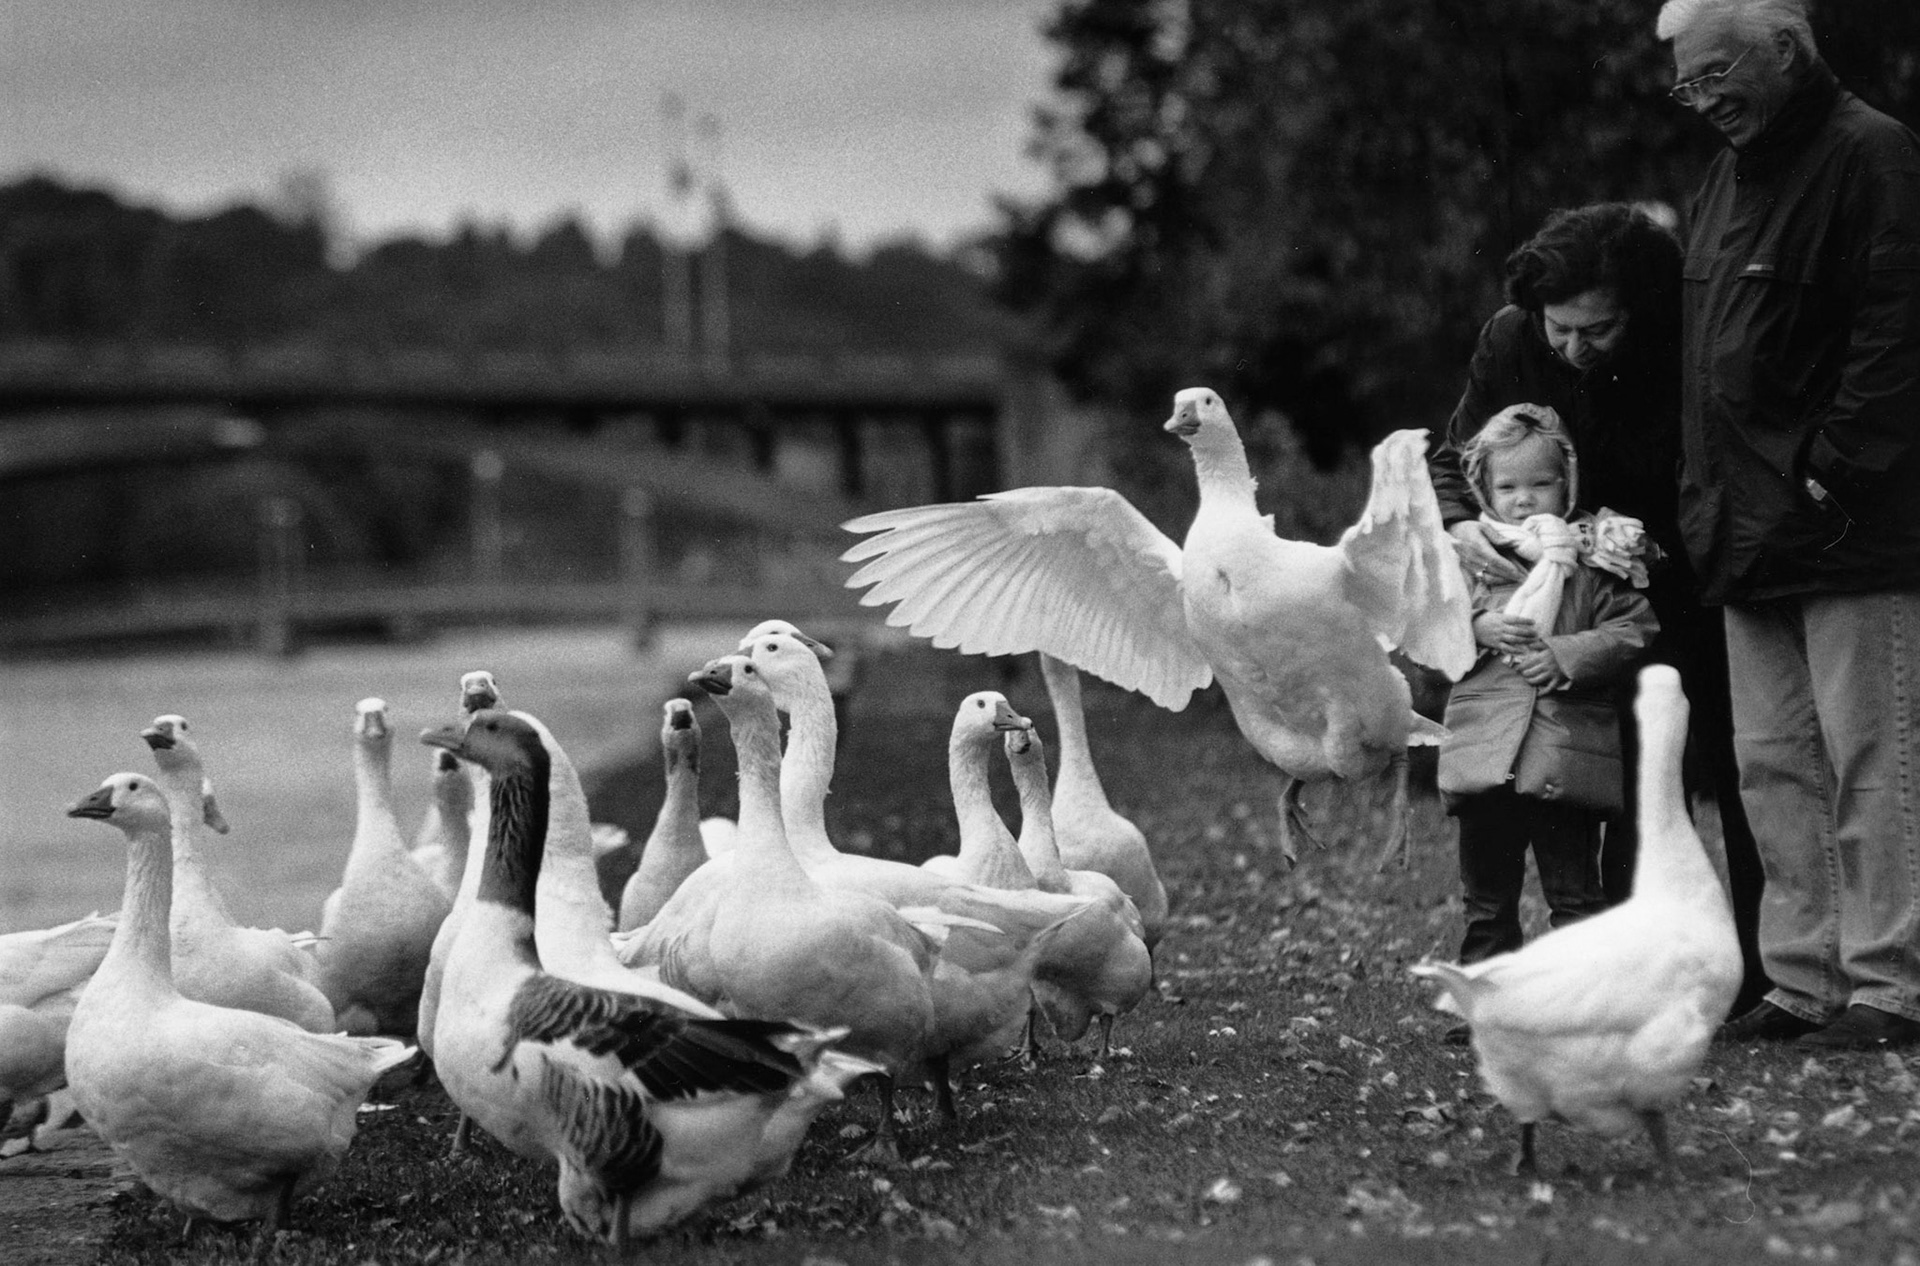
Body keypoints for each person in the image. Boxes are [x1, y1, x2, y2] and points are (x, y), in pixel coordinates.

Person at [1655, 0, 1920, 1049]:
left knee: (1875, 756)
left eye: (1717, 72)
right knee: (1771, 765)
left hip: (1849, 522)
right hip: (1742, 524)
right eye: (1687, 82)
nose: (1705, 98)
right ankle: (1802, 980)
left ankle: (1892, 984)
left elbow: (1899, 331)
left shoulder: (1875, 154)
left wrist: (1838, 468)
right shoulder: (1727, 174)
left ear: (1784, 48)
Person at [1428, 202, 1769, 1013]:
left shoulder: (1688, 337)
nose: (1575, 348)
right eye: (1560, 330)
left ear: (1641, 312)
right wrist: (1461, 527)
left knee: (1730, 767)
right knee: (1604, 780)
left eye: (1598, 330)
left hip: (1688, 585)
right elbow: (1455, 456)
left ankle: (1764, 974)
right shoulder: (1511, 340)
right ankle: (1626, 972)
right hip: (1561, 598)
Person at [1436, 405, 1659, 980]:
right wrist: (1476, 627)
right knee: (1486, 899)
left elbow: (1633, 629)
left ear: (1568, 481)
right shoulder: (1470, 560)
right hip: (1485, 754)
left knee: (1576, 896)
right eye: (1507, 486)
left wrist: (1563, 655)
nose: (1524, 498)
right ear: (1483, 487)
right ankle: (1487, 997)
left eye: (1541, 483)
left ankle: (1583, 998)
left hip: (1566, 753)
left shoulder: (1594, 556)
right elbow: (1424, 632)